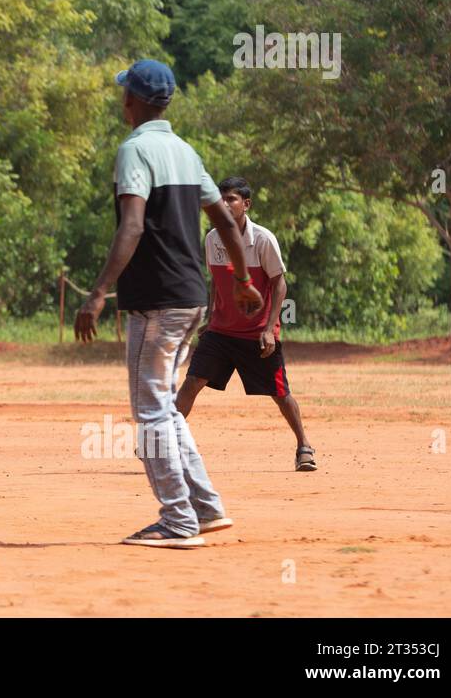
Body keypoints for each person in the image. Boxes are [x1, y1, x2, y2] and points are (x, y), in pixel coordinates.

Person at [75, 60, 263, 548]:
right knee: (166, 409)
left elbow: (132, 226)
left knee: (150, 412)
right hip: (190, 297)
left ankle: (178, 521)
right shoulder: (184, 151)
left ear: (133, 101)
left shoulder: (134, 150)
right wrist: (242, 279)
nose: (123, 102)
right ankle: (205, 508)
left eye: (125, 95)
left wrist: (97, 293)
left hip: (156, 302)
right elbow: (224, 222)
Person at [175, 177, 316, 470]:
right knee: (191, 383)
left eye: (232, 199)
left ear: (246, 204)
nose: (225, 204)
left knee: (280, 394)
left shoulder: (263, 239)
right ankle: (160, 442)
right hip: (221, 332)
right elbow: (217, 280)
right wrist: (212, 316)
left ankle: (304, 446)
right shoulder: (213, 238)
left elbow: (279, 283)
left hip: (256, 334)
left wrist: (269, 328)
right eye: (221, 199)